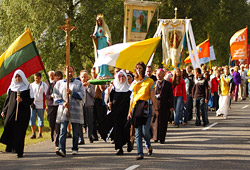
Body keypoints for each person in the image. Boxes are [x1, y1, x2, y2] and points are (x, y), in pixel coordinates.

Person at [127, 61, 158, 160]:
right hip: (136, 108)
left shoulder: (149, 81)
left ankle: (148, 144)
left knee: (145, 131)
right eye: (137, 68)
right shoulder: (134, 82)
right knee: (137, 132)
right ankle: (140, 153)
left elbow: (153, 97)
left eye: (140, 68)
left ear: (143, 69)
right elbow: (132, 98)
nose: (138, 70)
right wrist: (129, 111)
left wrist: (156, 109)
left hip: (146, 107)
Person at [0, 70, 34, 158]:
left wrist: (22, 100)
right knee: (8, 125)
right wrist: (4, 110)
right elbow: (8, 101)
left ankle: (20, 151)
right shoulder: (11, 88)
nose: (18, 78)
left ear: (22, 77)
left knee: (20, 131)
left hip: (23, 113)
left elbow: (31, 100)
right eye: (16, 77)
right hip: (11, 112)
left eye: (19, 77)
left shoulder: (27, 87)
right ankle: (11, 146)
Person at [54, 66, 85, 157]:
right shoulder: (59, 83)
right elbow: (56, 95)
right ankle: (61, 149)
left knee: (75, 131)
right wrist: (63, 103)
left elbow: (82, 95)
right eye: (68, 72)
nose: (70, 73)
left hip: (76, 109)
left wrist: (72, 93)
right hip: (64, 110)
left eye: (71, 71)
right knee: (63, 130)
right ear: (64, 72)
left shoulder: (78, 83)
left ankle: (75, 148)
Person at [99, 70, 132, 155]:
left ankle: (129, 142)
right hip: (117, 113)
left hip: (126, 113)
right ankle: (119, 148)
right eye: (119, 77)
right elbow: (108, 99)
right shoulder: (113, 89)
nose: (121, 78)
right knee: (117, 130)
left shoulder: (129, 89)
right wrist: (109, 104)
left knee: (126, 130)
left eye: (123, 76)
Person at [152, 68, 174, 143]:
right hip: (156, 105)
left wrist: (171, 106)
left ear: (164, 74)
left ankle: (162, 138)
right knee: (155, 122)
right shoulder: (154, 83)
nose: (158, 75)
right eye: (157, 74)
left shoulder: (168, 84)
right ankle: (155, 137)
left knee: (163, 122)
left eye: (160, 74)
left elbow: (171, 96)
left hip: (165, 105)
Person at [90, 14, 113, 78]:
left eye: (100, 21)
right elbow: (95, 34)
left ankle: (106, 72)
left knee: (105, 56)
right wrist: (93, 36)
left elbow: (107, 34)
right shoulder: (96, 27)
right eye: (98, 21)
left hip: (104, 41)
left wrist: (108, 40)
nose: (99, 22)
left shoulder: (105, 26)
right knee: (100, 56)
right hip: (99, 42)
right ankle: (100, 72)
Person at [46, 71, 63, 148]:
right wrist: (51, 96)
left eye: (59, 77)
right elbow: (46, 95)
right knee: (51, 122)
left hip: (59, 106)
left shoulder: (63, 85)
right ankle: (52, 131)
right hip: (51, 106)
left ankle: (57, 141)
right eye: (56, 77)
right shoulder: (51, 85)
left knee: (58, 124)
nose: (57, 78)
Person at [79, 70, 96, 143]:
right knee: (80, 123)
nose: (83, 78)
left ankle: (89, 136)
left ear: (87, 77)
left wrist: (88, 87)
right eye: (82, 77)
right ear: (80, 78)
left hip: (89, 106)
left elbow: (94, 95)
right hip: (80, 106)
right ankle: (81, 138)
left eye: (85, 77)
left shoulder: (91, 85)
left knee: (90, 122)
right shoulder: (78, 85)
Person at [30, 72, 48, 139]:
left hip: (41, 105)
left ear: (40, 78)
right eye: (35, 79)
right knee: (32, 119)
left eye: (38, 78)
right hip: (33, 105)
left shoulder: (44, 85)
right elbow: (29, 95)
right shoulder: (31, 85)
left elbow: (46, 95)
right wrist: (31, 103)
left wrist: (47, 105)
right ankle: (33, 133)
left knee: (41, 119)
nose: (36, 80)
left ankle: (40, 133)